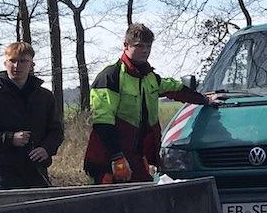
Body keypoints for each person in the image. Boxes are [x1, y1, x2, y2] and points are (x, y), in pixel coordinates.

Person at [84, 22, 219, 183]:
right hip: (108, 159)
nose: (145, 50)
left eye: (148, 46)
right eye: (139, 46)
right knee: (108, 204)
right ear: (126, 45)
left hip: (136, 157)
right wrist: (117, 157)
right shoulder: (110, 77)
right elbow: (103, 123)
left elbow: (176, 89)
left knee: (144, 199)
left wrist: (204, 100)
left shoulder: (150, 78)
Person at [0, 41, 65, 189]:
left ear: (31, 65)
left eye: (22, 61)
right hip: (3, 172)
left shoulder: (44, 97)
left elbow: (57, 131)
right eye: (12, 61)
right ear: (5, 63)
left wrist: (46, 149)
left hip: (36, 171)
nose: (17, 66)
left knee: (44, 212)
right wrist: (10, 138)